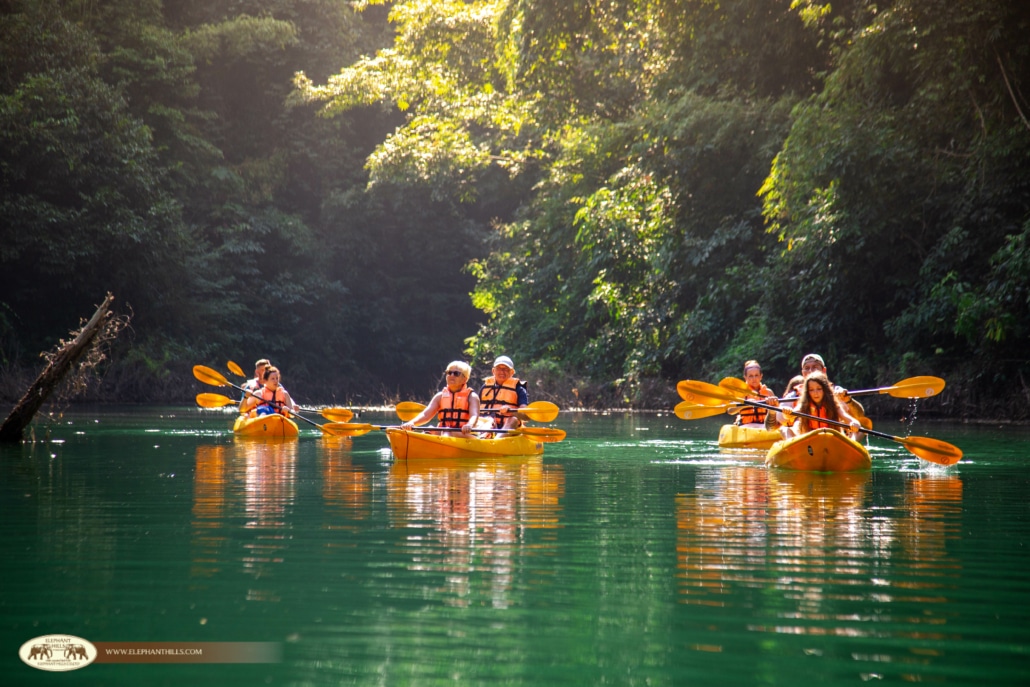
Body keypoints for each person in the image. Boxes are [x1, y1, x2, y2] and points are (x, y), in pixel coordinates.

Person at [400, 361, 481, 435]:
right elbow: (426, 415)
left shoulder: (472, 396)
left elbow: (474, 415)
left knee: (448, 432)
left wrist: (469, 425)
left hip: (464, 434)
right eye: (449, 373)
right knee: (429, 430)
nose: (451, 375)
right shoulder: (440, 396)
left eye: (456, 373)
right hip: (444, 432)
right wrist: (411, 423)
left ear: (465, 379)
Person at [781, 372, 862, 438]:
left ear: (825, 390)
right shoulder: (804, 405)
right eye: (811, 390)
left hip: (830, 438)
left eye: (819, 389)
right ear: (807, 392)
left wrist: (854, 423)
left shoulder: (833, 405)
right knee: (785, 429)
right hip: (810, 439)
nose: (815, 393)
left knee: (860, 431)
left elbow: (849, 419)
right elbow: (790, 416)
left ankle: (850, 449)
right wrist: (787, 413)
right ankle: (795, 452)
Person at [479, 355, 529, 431]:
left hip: (510, 427)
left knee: (513, 420)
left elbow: (525, 416)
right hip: (487, 424)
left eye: (505, 369)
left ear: (512, 372)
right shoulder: (485, 387)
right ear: (493, 371)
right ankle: (483, 437)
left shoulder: (519, 389)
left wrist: (511, 411)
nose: (502, 372)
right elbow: (475, 410)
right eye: (498, 368)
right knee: (484, 421)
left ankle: (497, 438)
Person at [733, 360, 778, 427]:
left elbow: (777, 413)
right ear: (745, 377)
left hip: (764, 426)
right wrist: (745, 404)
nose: (754, 379)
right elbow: (730, 410)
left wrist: (775, 404)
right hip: (746, 426)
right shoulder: (741, 393)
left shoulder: (768, 392)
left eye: (756, 375)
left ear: (761, 376)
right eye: (750, 376)